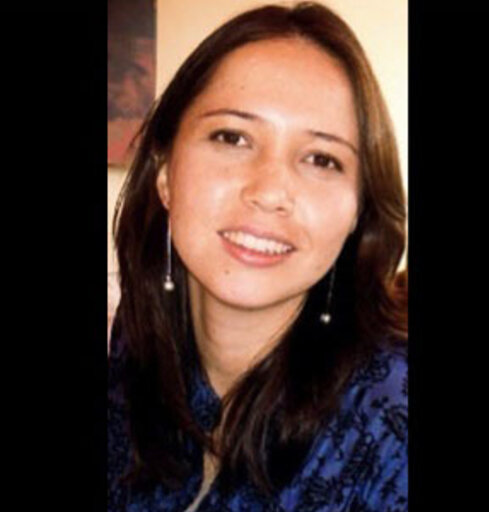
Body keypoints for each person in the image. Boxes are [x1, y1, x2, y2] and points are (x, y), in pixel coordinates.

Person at [108, 2, 408, 511]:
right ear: (165, 172)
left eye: (321, 159)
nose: (270, 191)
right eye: (232, 137)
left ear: (357, 211)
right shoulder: (134, 346)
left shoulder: (393, 432)